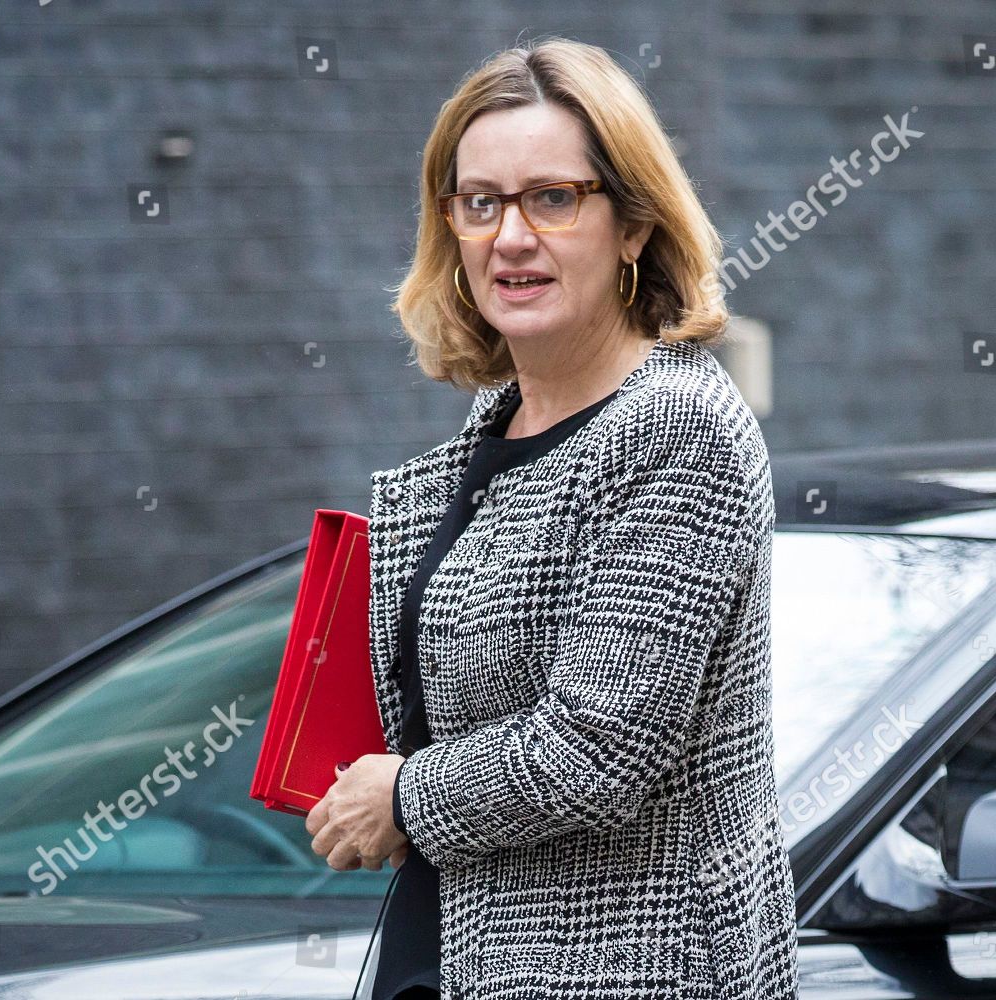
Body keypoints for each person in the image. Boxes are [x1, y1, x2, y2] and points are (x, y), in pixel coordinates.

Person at [305, 35, 799, 1000]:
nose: (510, 236)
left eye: (552, 197)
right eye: (480, 202)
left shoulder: (678, 430)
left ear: (634, 226)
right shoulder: (497, 431)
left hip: (634, 966)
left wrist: (400, 795)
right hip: (456, 946)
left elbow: (599, 747)